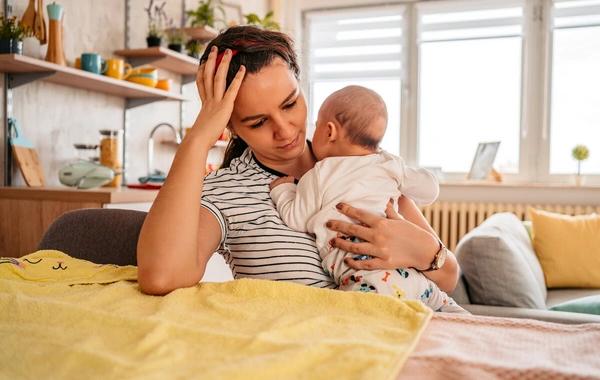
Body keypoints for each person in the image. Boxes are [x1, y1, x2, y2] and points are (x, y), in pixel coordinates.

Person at [136, 26, 460, 298]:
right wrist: (198, 138)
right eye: (258, 122)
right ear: (230, 125)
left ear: (301, 84)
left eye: (290, 104)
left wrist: (425, 251)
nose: (285, 130)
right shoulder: (227, 191)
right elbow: (161, 277)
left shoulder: (357, 160)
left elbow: (449, 277)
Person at [269, 86, 467, 313]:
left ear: (330, 131)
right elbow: (430, 191)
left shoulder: (319, 174)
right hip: (415, 278)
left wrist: (283, 191)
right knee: (463, 322)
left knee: (357, 322)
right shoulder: (389, 163)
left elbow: (296, 218)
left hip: (371, 278)